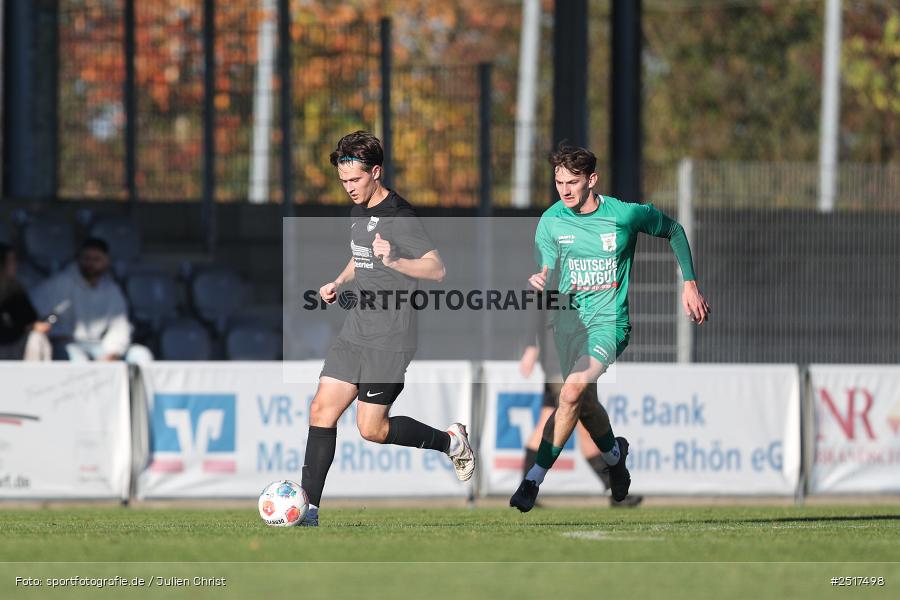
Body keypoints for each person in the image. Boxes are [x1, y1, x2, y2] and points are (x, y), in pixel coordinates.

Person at [510, 144, 710, 512]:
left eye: (573, 182)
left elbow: (674, 230)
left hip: (608, 325)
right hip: (567, 327)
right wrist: (540, 278)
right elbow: (546, 268)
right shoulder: (551, 221)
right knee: (585, 404)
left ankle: (532, 480)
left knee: (570, 394)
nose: (565, 190)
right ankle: (616, 460)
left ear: (592, 180)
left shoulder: (624, 215)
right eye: (559, 182)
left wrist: (690, 283)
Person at [300, 131, 475, 527]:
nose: (348, 189)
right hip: (355, 329)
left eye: (355, 181)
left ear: (375, 172)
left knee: (371, 430)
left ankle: (452, 443)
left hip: (391, 336)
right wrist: (340, 281)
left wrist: (395, 260)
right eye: (343, 182)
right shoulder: (358, 211)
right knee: (320, 409)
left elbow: (437, 269)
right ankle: (308, 509)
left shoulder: (401, 217)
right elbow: (361, 254)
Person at [519, 302, 643, 508]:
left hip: (570, 354)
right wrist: (531, 346)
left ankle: (527, 486)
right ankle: (613, 486)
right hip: (559, 357)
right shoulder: (553, 272)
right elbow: (534, 299)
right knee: (582, 416)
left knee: (547, 421)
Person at [30, 238, 153, 363]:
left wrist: (113, 352)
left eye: (96, 259)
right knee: (77, 358)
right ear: (79, 259)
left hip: (102, 345)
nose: (90, 264)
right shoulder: (60, 283)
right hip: (68, 344)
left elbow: (120, 325)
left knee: (141, 354)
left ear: (106, 261)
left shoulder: (112, 289)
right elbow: (40, 314)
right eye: (87, 258)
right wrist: (54, 330)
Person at [0, 244, 52, 360]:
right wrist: (27, 327)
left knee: (37, 338)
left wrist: (32, 326)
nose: (15, 266)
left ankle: (36, 377)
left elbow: (29, 318)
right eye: (11, 262)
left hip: (14, 345)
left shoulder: (15, 289)